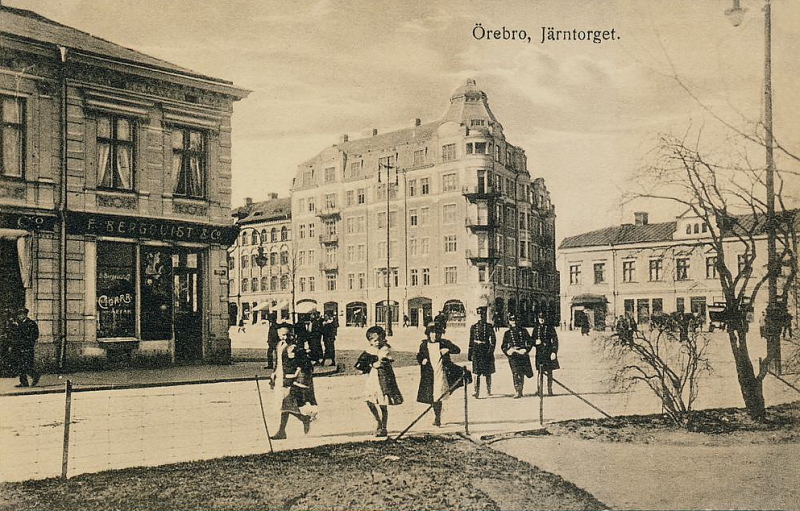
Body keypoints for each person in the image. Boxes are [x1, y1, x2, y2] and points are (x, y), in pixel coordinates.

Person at [270, 323, 316, 439]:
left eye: (287, 335)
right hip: (280, 377)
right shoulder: (279, 345)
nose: (285, 337)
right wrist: (274, 373)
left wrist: (297, 374)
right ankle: (303, 419)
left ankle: (282, 431)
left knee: (285, 404)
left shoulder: (295, 347)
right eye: (282, 335)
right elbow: (278, 361)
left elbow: (304, 362)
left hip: (289, 379)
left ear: (292, 334)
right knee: (285, 405)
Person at [355, 326, 404, 437]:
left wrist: (374, 363)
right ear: (370, 341)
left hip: (383, 379)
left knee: (383, 403)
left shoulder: (385, 349)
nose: (377, 342)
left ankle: (384, 427)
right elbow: (363, 361)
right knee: (369, 400)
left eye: (379, 339)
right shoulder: (369, 350)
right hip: (373, 378)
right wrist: (365, 366)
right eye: (374, 340)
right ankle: (378, 420)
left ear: (383, 339)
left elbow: (382, 361)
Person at [416, 321, 465, 427]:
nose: (435, 335)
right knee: (432, 395)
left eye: (437, 333)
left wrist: (447, 349)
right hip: (429, 374)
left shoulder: (444, 343)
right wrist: (423, 359)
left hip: (441, 372)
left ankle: (437, 418)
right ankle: (437, 416)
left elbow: (457, 350)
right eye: (432, 333)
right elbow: (419, 355)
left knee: (438, 395)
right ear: (428, 334)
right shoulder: (424, 344)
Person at [501, 314, 533, 398]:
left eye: (515, 320)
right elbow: (503, 346)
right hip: (513, 356)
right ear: (509, 322)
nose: (513, 322)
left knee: (521, 372)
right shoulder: (507, 333)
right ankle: (517, 390)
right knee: (515, 372)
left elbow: (530, 342)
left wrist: (526, 350)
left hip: (522, 354)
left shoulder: (524, 331)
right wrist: (508, 351)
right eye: (511, 320)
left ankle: (521, 389)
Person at [468, 306, 496, 398]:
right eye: (479, 314)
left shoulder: (489, 326)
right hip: (476, 351)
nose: (480, 316)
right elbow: (471, 341)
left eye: (482, 314)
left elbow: (493, 340)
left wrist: (490, 351)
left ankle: (489, 390)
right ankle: (476, 391)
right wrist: (470, 354)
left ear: (485, 315)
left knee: (488, 372)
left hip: (486, 351)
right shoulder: (473, 327)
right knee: (476, 372)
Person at [11, 307, 40, 388]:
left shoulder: (31, 323)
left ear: (25, 315)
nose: (19, 316)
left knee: (26, 365)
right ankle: (24, 383)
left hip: (27, 348)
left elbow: (35, 335)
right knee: (20, 366)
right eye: (18, 315)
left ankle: (35, 375)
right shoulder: (19, 324)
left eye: (20, 315)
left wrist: (28, 343)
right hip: (20, 348)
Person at [533, 313, 559, 396]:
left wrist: (554, 352)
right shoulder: (536, 329)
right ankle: (539, 390)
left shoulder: (550, 328)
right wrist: (535, 342)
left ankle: (549, 389)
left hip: (548, 353)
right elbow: (531, 340)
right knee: (540, 372)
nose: (542, 320)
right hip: (539, 354)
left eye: (543, 318)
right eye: (540, 318)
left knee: (549, 372)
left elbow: (555, 341)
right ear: (538, 319)